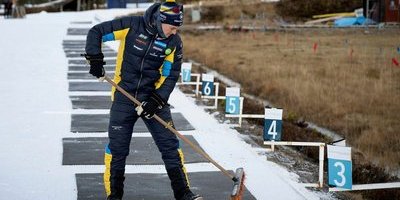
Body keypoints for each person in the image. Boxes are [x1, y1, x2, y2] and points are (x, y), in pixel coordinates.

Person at [84, 1, 202, 200]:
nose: (174, 32)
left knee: (170, 146)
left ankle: (184, 194)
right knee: (118, 149)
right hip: (124, 96)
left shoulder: (174, 43)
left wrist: (156, 100)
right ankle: (114, 196)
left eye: (177, 28)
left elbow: (171, 75)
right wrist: (95, 59)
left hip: (153, 99)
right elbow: (96, 32)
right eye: (172, 27)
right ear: (160, 20)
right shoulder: (132, 25)